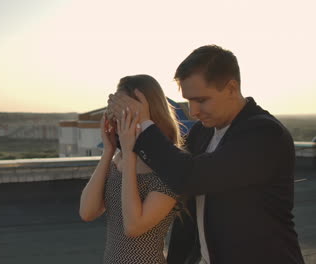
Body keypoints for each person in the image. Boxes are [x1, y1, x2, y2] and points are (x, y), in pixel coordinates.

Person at [108, 45, 304, 264]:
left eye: (201, 100)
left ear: (231, 88)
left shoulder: (264, 134)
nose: (193, 111)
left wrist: (145, 124)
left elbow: (190, 177)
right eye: (189, 100)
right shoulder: (201, 132)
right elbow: (187, 208)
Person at [79, 74, 182, 264]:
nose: (118, 121)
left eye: (124, 112)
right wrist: (108, 151)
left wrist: (129, 153)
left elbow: (134, 226)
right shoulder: (119, 158)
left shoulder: (168, 165)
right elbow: (87, 212)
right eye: (115, 113)